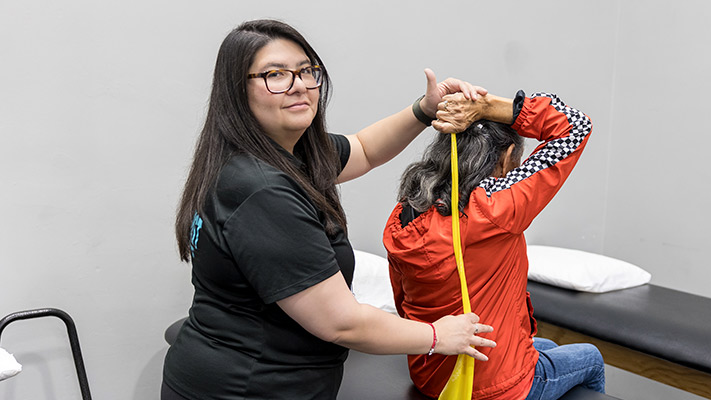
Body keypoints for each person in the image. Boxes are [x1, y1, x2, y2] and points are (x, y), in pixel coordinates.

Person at [162, 19, 497, 400]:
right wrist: (439, 336)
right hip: (245, 388)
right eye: (275, 75)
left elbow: (365, 149)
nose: (300, 85)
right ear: (238, 91)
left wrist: (425, 109)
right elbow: (342, 324)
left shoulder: (291, 152)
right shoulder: (260, 189)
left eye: (307, 70)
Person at [383, 89, 606, 399]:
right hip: (496, 387)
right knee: (590, 358)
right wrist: (489, 106)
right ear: (504, 159)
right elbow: (575, 126)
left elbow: (403, 302)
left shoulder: (405, 214)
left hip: (435, 377)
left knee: (548, 347)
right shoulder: (493, 208)